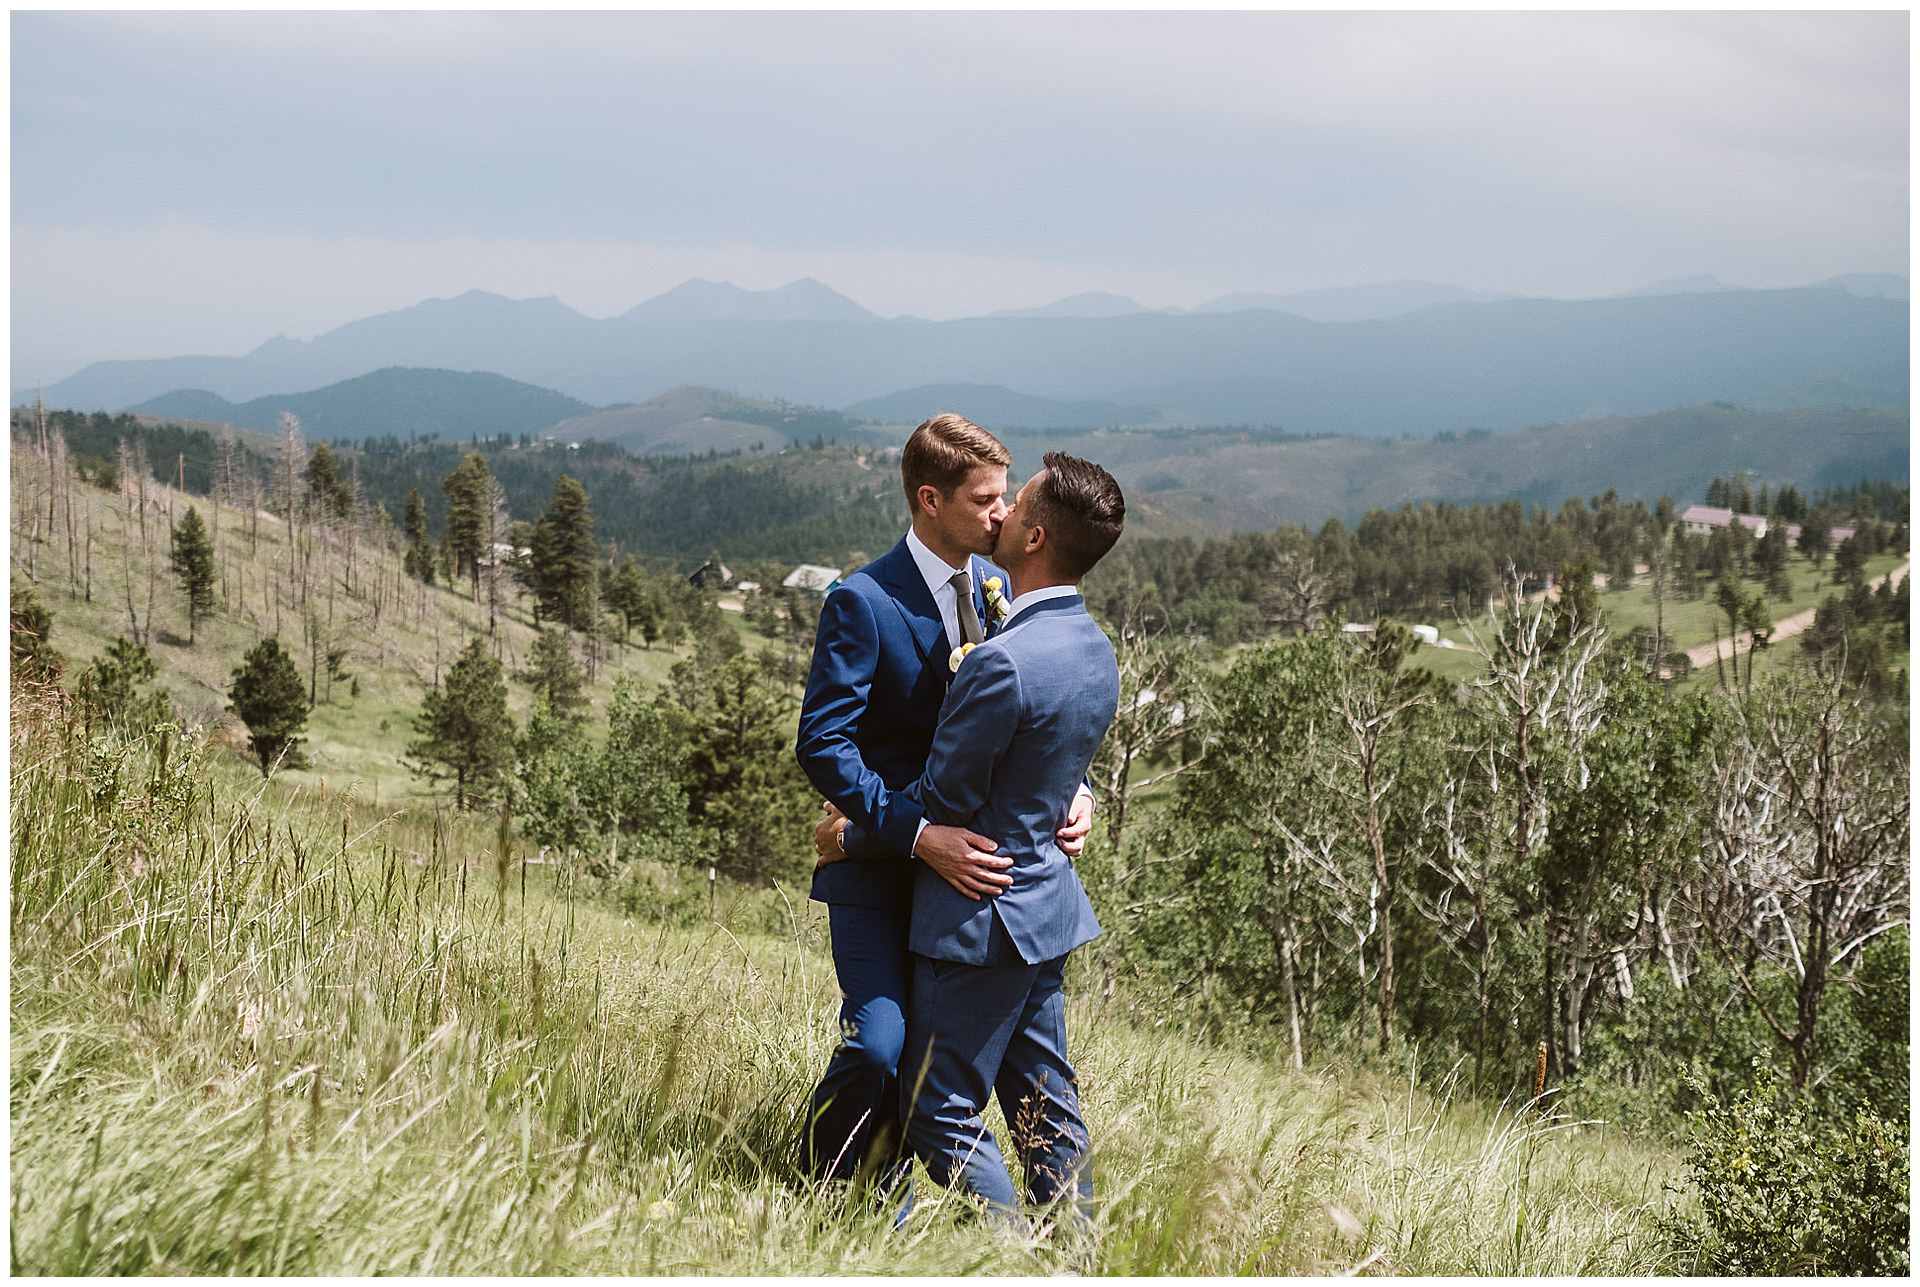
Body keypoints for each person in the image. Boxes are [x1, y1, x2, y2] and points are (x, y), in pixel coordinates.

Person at [819, 451, 1126, 1221]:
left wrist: (852, 838)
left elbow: (944, 799)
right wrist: (1072, 792)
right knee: (1045, 1104)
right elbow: (1054, 742)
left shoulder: (1002, 658)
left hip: (980, 919)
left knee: (941, 1109)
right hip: (1048, 909)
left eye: (1013, 504)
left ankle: (1006, 1257)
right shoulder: (1095, 645)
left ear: (1035, 538)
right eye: (989, 498)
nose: (1001, 514)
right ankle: (1075, 1257)